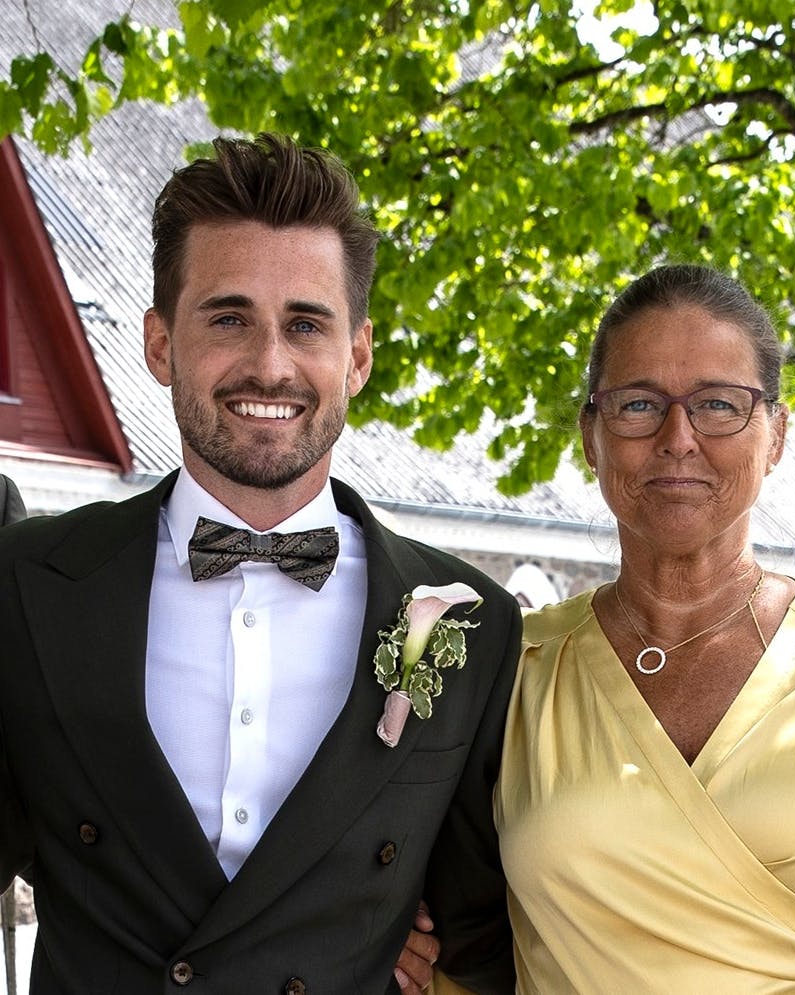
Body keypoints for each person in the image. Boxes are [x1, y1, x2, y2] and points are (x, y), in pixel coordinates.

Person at [0, 134, 518, 994]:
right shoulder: (27, 582)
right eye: (228, 317)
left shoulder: (472, 622)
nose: (270, 363)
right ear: (161, 344)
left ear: (357, 356)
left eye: (306, 324)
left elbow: (485, 934)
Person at [444, 264, 795, 992]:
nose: (678, 437)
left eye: (718, 405)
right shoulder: (514, 668)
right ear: (591, 434)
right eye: (638, 404)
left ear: (778, 434)